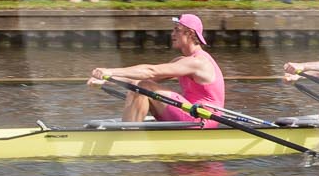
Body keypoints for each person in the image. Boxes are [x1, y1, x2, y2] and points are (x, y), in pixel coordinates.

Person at [89, 15, 226, 124]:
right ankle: (130, 130)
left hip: (202, 118)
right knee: (138, 84)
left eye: (177, 30)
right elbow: (142, 76)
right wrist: (107, 79)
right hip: (190, 113)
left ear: (190, 33)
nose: (172, 34)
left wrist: (110, 71)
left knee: (144, 86)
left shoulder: (198, 62)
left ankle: (128, 137)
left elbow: (150, 71)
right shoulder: (182, 62)